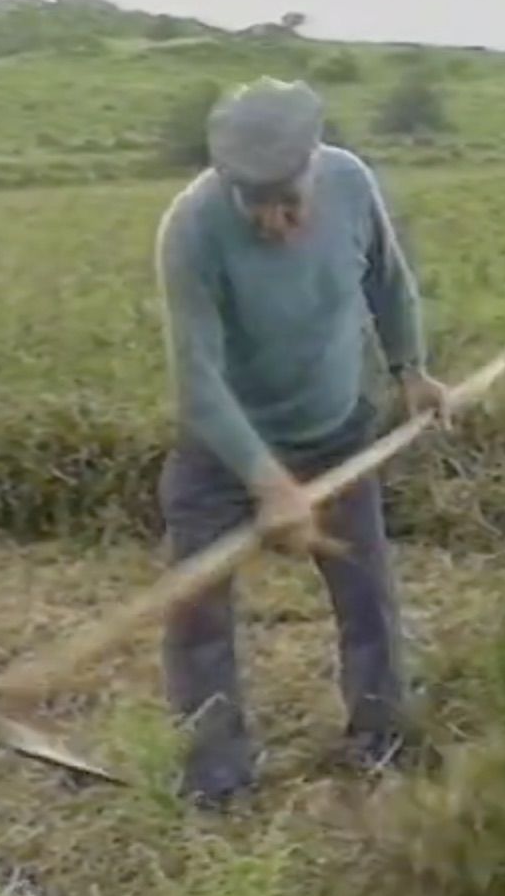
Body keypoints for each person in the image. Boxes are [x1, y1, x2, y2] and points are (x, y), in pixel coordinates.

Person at [153, 77, 452, 809]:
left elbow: (387, 278)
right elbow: (199, 378)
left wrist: (410, 369)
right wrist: (265, 478)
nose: (275, 222)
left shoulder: (351, 182)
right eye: (255, 206)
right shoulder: (190, 229)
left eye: (289, 203)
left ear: (313, 164)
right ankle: (216, 774)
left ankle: (382, 737)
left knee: (368, 594)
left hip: (337, 430)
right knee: (195, 608)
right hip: (227, 448)